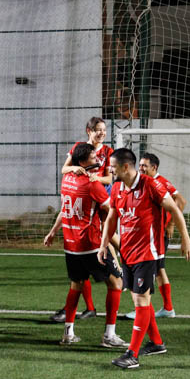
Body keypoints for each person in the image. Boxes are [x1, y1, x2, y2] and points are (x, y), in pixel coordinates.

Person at [98, 148, 190, 369]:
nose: (109, 170)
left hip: (147, 254)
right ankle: (157, 343)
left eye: (112, 166)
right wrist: (104, 245)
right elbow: (112, 217)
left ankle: (132, 354)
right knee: (139, 299)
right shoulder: (116, 189)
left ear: (125, 167)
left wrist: (186, 239)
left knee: (141, 301)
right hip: (128, 253)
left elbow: (175, 209)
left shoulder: (151, 185)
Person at [43, 143, 127, 347]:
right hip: (91, 244)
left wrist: (53, 231)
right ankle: (109, 335)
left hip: (71, 245)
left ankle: (68, 333)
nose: (97, 158)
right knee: (116, 284)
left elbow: (64, 209)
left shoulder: (67, 180)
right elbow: (111, 212)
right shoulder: (92, 185)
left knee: (76, 286)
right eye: (92, 156)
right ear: (82, 162)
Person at [49, 117, 113, 322]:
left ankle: (124, 262)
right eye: (98, 130)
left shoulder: (107, 152)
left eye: (104, 130)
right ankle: (89, 308)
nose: (102, 133)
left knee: (105, 240)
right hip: (83, 198)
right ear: (89, 131)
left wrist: (94, 178)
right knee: (83, 261)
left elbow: (110, 179)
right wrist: (79, 171)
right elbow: (65, 169)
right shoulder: (79, 148)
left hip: (98, 200)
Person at [124, 152, 187, 320]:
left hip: (155, 236)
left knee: (152, 271)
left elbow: (180, 201)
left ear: (154, 167)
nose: (141, 168)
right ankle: (166, 308)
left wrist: (171, 224)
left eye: (145, 165)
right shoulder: (143, 181)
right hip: (150, 235)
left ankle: (145, 310)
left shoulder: (159, 182)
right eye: (140, 165)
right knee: (159, 270)